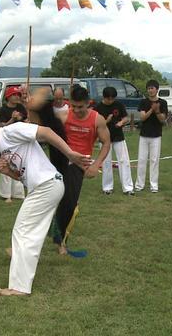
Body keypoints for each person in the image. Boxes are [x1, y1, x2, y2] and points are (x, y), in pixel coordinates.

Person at [0, 117, 90, 296]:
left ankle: (20, 287)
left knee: (23, 231)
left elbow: (47, 132)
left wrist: (70, 154)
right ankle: (20, 264)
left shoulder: (12, 131)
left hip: (48, 185)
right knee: (26, 231)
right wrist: (8, 172)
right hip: (43, 186)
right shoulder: (4, 147)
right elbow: (24, 176)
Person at [53, 85, 110, 255]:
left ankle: (61, 240)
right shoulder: (64, 115)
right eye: (73, 106)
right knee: (51, 201)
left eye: (80, 106)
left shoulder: (97, 119)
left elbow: (106, 143)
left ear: (88, 103)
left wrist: (96, 165)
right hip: (61, 161)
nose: (76, 110)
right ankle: (44, 238)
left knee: (69, 204)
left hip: (80, 165)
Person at [94, 86, 134, 195]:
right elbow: (95, 125)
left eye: (113, 98)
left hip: (118, 137)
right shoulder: (98, 108)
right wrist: (107, 121)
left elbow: (126, 118)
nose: (111, 101)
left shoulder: (118, 105)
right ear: (104, 97)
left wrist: (121, 122)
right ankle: (107, 188)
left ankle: (128, 188)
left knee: (124, 161)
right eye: (109, 99)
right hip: (104, 139)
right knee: (106, 162)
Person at [135, 79, 168, 193]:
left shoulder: (163, 103)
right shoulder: (143, 102)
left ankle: (154, 186)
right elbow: (142, 117)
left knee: (154, 160)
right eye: (148, 88)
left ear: (157, 89)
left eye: (152, 88)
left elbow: (163, 119)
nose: (150, 90)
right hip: (144, 134)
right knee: (142, 159)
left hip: (156, 135)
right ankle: (139, 185)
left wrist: (157, 111)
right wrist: (151, 110)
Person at [0, 86, 27, 202]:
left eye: (18, 95)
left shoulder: (20, 107)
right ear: (8, 97)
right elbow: (1, 126)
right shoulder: (2, 110)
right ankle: (6, 194)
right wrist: (12, 119)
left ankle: (18, 193)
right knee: (6, 163)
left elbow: (25, 119)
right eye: (14, 95)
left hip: (19, 139)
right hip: (7, 140)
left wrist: (23, 119)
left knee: (19, 163)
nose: (17, 97)